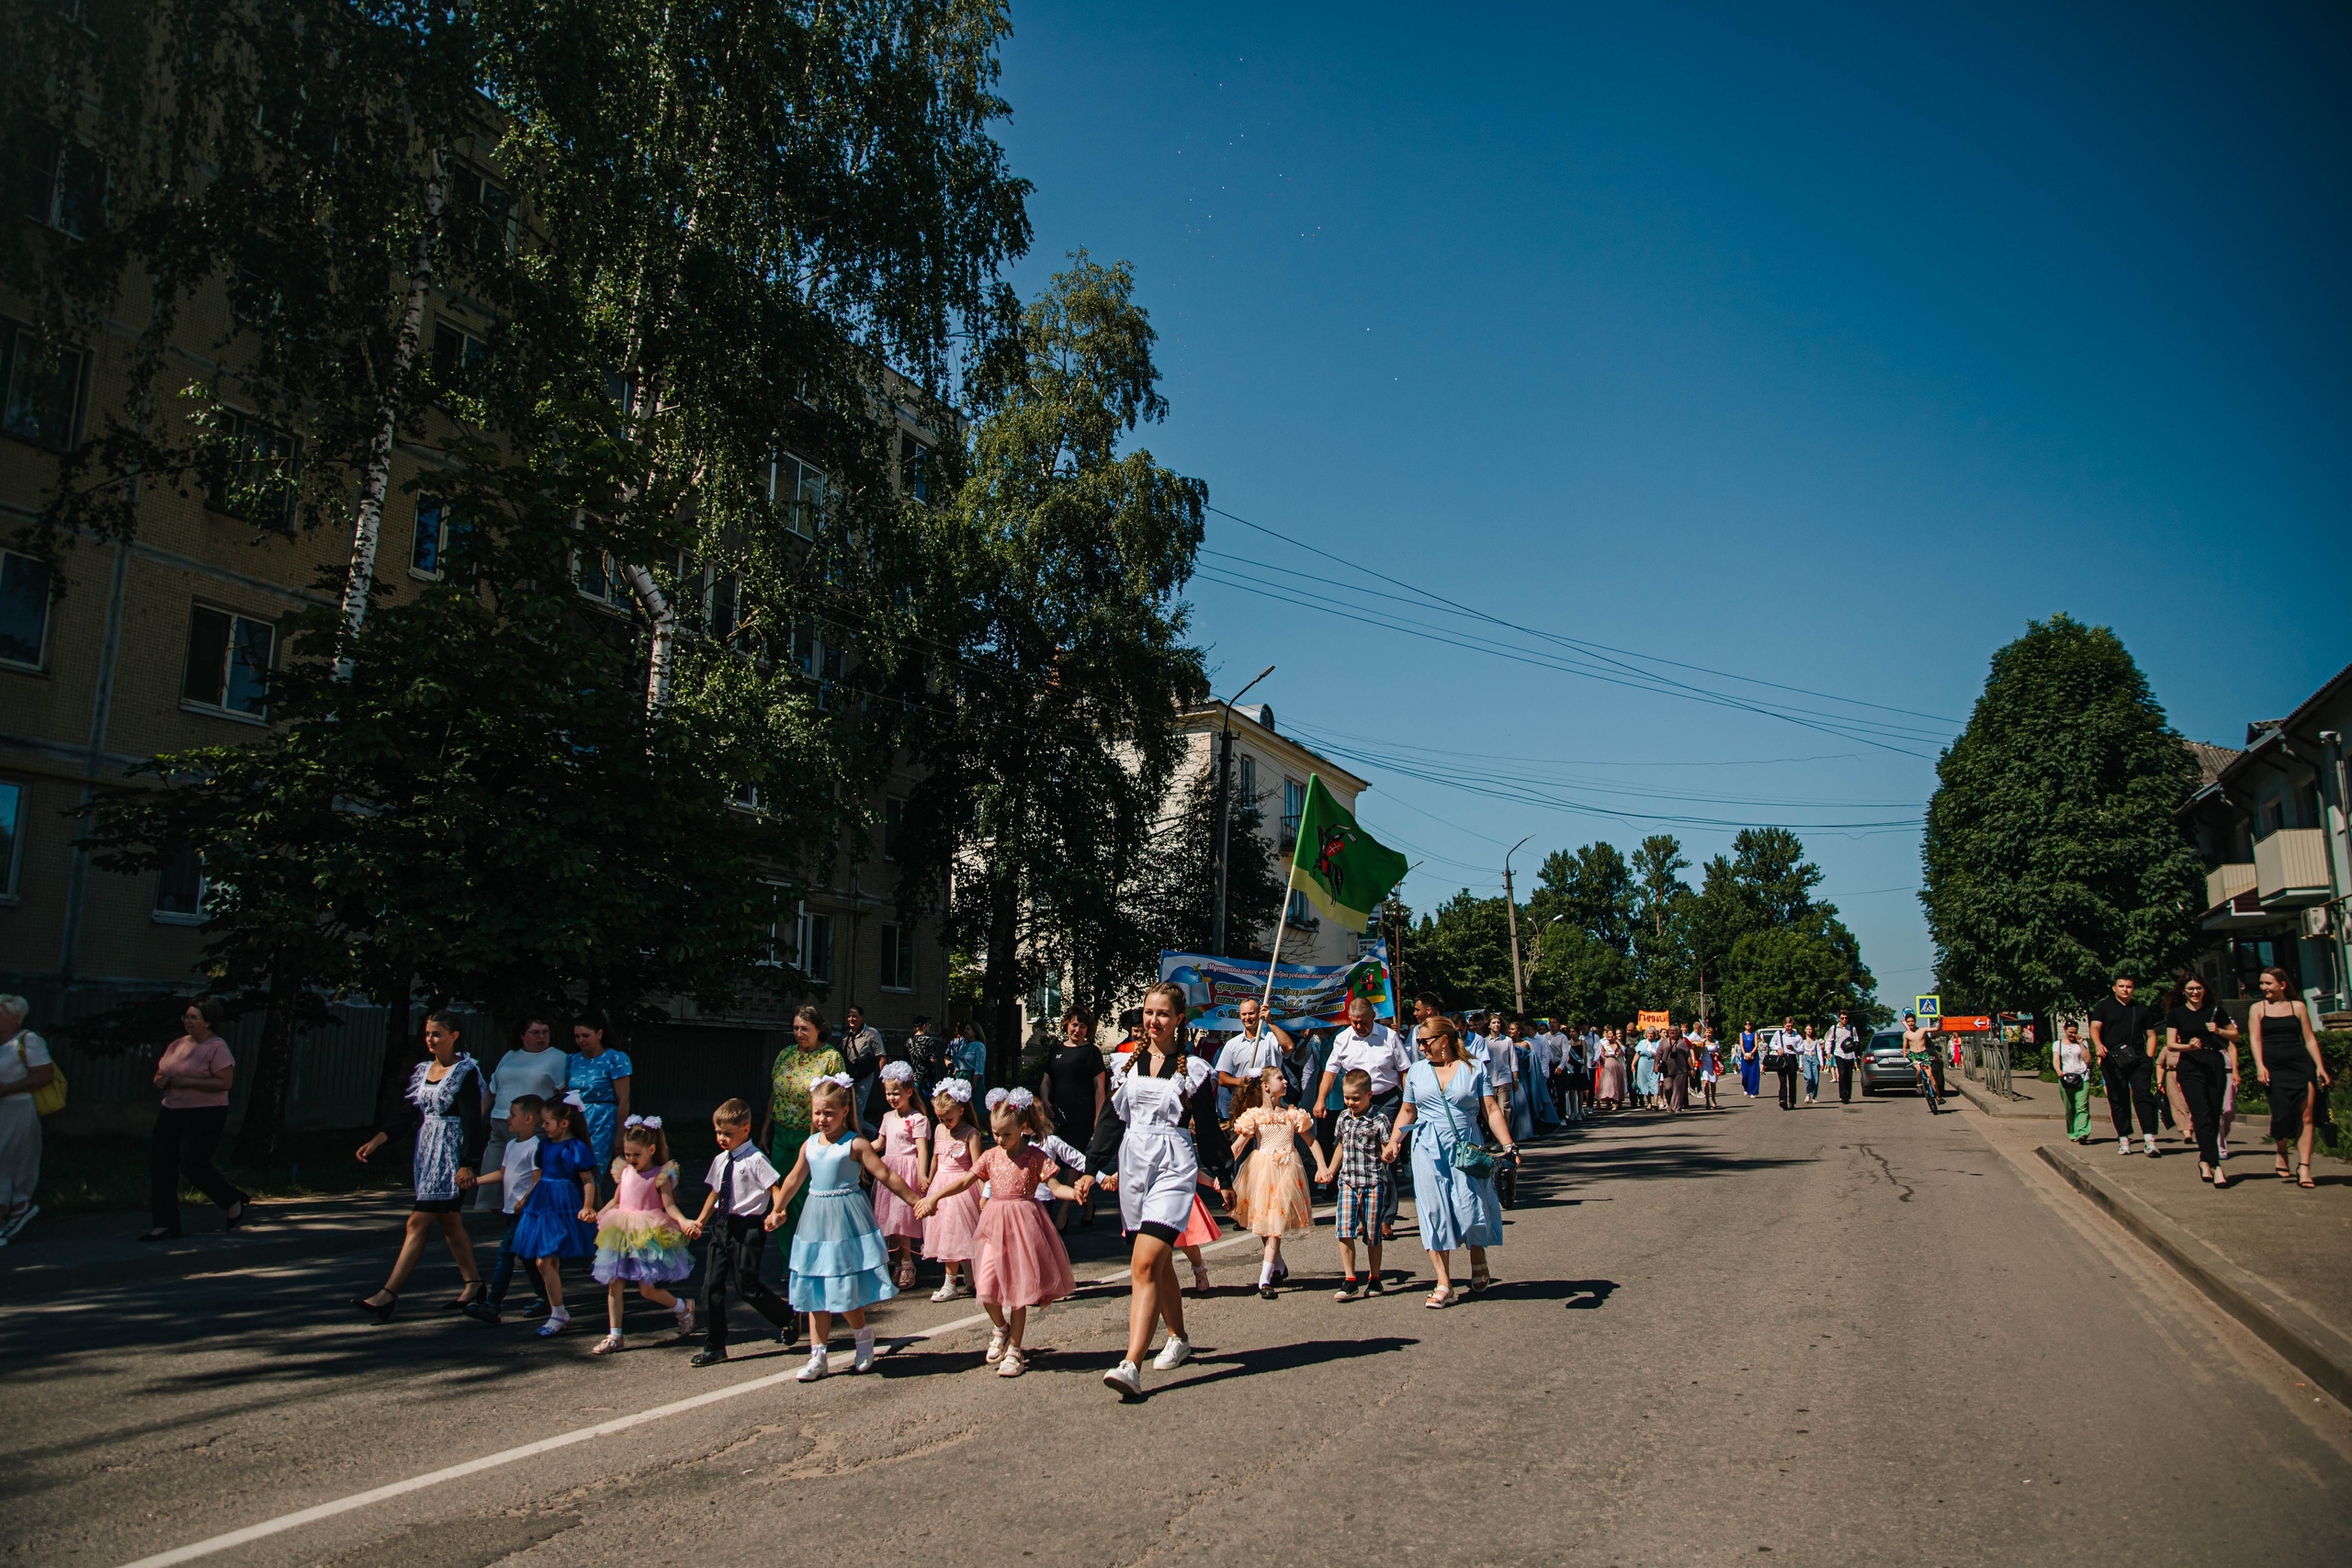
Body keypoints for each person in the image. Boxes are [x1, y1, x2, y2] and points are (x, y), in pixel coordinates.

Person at [1084, 979, 1232, 1401]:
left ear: (1179, 1019)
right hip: (1134, 1166)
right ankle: (1179, 1338)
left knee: (1145, 1262)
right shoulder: (1126, 1066)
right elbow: (1111, 1122)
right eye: (1149, 1012)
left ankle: (1131, 1364)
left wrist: (1224, 1173)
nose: (1154, 1020)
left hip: (1173, 1165)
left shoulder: (1194, 1070)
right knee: (1160, 1263)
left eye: (1163, 1013)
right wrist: (1091, 1168)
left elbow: (1206, 1126)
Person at [914, 1093, 1079, 1378]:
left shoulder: (1035, 1156)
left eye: (1006, 1134)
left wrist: (1074, 1193)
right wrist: (936, 1197)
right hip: (994, 1222)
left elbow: (1055, 1187)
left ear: (1024, 1127)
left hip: (1024, 1225)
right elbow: (965, 1181)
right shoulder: (990, 1156)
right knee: (986, 1284)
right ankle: (1000, 1327)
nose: (1000, 1140)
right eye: (995, 1134)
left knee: (1018, 1289)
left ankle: (1015, 1349)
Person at [775, 1075, 923, 1381]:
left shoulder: (854, 1143)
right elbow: (793, 1180)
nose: (821, 1119)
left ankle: (862, 1335)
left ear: (845, 1111)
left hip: (845, 1219)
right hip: (815, 1220)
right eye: (817, 1113)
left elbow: (885, 1174)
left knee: (842, 1288)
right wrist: (777, 1209)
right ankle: (818, 1356)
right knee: (816, 1287)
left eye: (828, 1113)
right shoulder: (810, 1145)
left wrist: (916, 1200)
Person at [351, 1010, 486, 1319]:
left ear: (454, 1036)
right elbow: (407, 1113)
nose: (430, 1039)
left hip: (449, 1156)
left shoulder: (465, 1071)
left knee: (417, 1222)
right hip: (426, 1153)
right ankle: (474, 1284)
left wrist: (468, 1163)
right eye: (427, 1033)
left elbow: (472, 1122)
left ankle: (388, 1294)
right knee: (450, 1221)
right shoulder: (423, 1070)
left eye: (437, 1034)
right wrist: (379, 1140)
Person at [1385, 1015, 1515, 1306]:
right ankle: (1443, 1282)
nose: (1419, 1047)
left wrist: (1508, 1144)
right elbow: (1408, 1111)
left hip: (1465, 1146)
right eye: (1418, 1041)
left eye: (1424, 1041)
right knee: (1433, 1211)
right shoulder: (1417, 1072)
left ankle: (1477, 1252)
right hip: (1426, 1147)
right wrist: (1394, 1142)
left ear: (1444, 1040)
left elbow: (1491, 1110)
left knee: (1471, 1206)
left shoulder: (1474, 1069)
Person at [684, 1098, 796, 1364]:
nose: (722, 1138)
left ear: (745, 1129)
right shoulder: (721, 1159)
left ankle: (788, 1317)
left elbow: (775, 1187)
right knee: (710, 1286)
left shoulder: (756, 1159)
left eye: (728, 1133)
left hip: (748, 1228)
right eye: (718, 1132)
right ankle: (715, 1345)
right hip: (722, 1226)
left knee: (747, 1287)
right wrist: (700, 1220)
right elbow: (715, 1193)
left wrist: (776, 1211)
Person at [141, 998, 251, 1242]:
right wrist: (159, 1080)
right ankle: (165, 1224)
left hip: (205, 1114)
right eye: (186, 1017)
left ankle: (231, 1199)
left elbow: (225, 1082)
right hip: (171, 1110)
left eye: (194, 1017)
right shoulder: (177, 1045)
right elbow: (162, 1071)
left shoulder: (217, 1047)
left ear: (208, 1022)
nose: (188, 1021)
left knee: (193, 1163)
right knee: (161, 1165)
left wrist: (189, 1082)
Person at [588, 1117, 695, 1353]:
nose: (631, 1159)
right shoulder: (625, 1171)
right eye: (627, 1154)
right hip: (620, 1231)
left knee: (647, 1290)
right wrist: (598, 1214)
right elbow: (617, 1200)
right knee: (613, 1284)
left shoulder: (660, 1175)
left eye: (636, 1154)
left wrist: (684, 1221)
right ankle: (615, 1336)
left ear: (652, 1150)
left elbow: (670, 1207)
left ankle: (682, 1307)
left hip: (647, 1234)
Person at [1317, 996, 1412, 1239]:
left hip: (1386, 1100)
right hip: (1357, 1104)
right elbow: (1330, 1071)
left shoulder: (1389, 1037)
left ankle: (1385, 1219)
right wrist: (1320, 1100)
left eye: (1362, 1022)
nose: (1358, 1026)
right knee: (1357, 1159)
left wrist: (1410, 1100)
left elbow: (1404, 1071)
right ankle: (1364, 1217)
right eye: (1354, 1022)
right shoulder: (1343, 1039)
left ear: (1373, 1017)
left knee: (1386, 1157)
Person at [509, 1093, 601, 1337]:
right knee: (545, 1260)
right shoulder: (545, 1145)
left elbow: (587, 1180)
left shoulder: (574, 1148)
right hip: (543, 1203)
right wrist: (528, 1197)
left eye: (547, 1122)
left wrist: (588, 1206)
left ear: (564, 1123)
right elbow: (538, 1176)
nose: (542, 1126)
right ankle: (557, 1310)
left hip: (564, 1204)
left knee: (545, 1259)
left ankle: (558, 1312)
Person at [763, 1004, 852, 1254]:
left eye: (805, 1028)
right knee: (780, 1197)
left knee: (804, 1196)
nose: (799, 1033)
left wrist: (832, 1137)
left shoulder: (830, 1058)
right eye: (795, 1028)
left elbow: (840, 1099)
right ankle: (786, 1258)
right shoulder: (786, 1055)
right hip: (782, 1134)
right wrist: (765, 1130)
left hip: (811, 1136)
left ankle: (809, 1254)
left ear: (818, 1029)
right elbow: (775, 1094)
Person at [459, 1093, 552, 1325]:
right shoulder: (511, 1145)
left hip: (525, 1213)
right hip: (511, 1211)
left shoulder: (536, 1147)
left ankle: (493, 1305)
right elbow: (503, 1173)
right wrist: (476, 1181)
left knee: (505, 1254)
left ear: (529, 1118)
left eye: (513, 1115)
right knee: (528, 1258)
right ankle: (546, 1298)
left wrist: (526, 1200)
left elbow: (539, 1179)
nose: (508, 1119)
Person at [1229, 1066, 1316, 1299]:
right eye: (1280, 1078)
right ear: (1266, 1086)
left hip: (1287, 1172)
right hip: (1261, 1170)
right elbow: (1238, 1147)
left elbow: (1311, 1141)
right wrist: (1221, 1170)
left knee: (1275, 1227)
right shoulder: (1254, 1115)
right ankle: (1279, 1264)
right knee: (1264, 1223)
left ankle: (1264, 1280)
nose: (1286, 1081)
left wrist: (1324, 1166)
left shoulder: (1292, 1114)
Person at [2249, 965, 2332, 1190]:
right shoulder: (2258, 1008)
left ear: (2282, 985)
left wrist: (2320, 1067)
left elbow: (2309, 1039)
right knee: (2281, 1114)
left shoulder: (2298, 1007)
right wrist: (2260, 1066)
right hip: (2274, 1069)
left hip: (2300, 1066)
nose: (2263, 987)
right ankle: (2282, 1149)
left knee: (2306, 1117)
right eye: (2262, 983)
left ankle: (2304, 1167)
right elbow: (2255, 1040)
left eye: (2268, 983)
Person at [473, 1016, 570, 1210]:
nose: (541, 1037)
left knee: (523, 1193)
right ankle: (510, 1233)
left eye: (545, 1032)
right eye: (535, 1033)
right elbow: (492, 1091)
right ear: (522, 1036)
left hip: (531, 1131)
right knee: (491, 1193)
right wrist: (475, 1121)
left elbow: (564, 1096)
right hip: (500, 1127)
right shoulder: (510, 1055)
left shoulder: (558, 1057)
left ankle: (519, 1235)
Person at [1319, 1068, 1396, 1300]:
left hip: (1372, 1183)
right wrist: (1330, 1170)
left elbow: (1385, 1148)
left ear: (1369, 1095)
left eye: (1355, 1098)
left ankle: (1375, 1278)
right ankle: (1350, 1279)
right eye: (1346, 1098)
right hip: (1348, 1182)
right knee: (1343, 1230)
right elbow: (1341, 1146)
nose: (1350, 1103)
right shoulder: (1343, 1118)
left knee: (1372, 1234)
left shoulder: (1379, 1120)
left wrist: (1389, 1155)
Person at [2164, 976, 2239, 1188]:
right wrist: (2188, 1047)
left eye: (2198, 988)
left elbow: (2235, 1036)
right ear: (2183, 992)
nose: (2195, 992)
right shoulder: (2176, 1014)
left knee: (2215, 1114)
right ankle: (2216, 1166)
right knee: (2201, 1114)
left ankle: (2204, 1160)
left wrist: (2219, 1030)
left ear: (2204, 990)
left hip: (2214, 1063)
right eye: (2190, 989)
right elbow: (2171, 1044)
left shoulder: (2215, 1010)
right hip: (2190, 1066)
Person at [1036, 1008, 1107, 1232]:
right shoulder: (1056, 1050)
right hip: (1055, 1116)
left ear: (1088, 1029)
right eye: (1074, 1025)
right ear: (1066, 1025)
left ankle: (1062, 1216)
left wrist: (1098, 1117)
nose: (1078, 1030)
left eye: (1083, 1026)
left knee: (1071, 1164)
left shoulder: (1092, 1052)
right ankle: (1087, 1205)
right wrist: (1045, 1099)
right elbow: (1046, 1080)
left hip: (1081, 1115)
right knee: (1053, 1162)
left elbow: (1099, 1087)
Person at [922, 1079, 984, 1300]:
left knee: (958, 1233)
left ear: (961, 1110)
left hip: (962, 1188)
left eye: (948, 1118)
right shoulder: (939, 1130)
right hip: (941, 1184)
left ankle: (951, 1284)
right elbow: (935, 1159)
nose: (944, 1122)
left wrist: (985, 1193)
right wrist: (928, 1179)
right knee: (949, 1234)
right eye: (940, 1118)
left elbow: (977, 1169)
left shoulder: (970, 1134)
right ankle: (969, 1278)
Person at [0, 994, 53, 1244]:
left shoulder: (28, 1040)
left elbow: (44, 1076)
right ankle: (16, 1209)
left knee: (7, 1161)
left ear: (14, 1017)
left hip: (17, 1109)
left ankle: (15, 1209)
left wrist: (8, 1088)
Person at [2090, 975, 2160, 1155]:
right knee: (2118, 1098)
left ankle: (2149, 1139)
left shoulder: (2141, 1009)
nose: (2125, 990)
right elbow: (2095, 1027)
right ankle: (2124, 1139)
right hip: (2112, 1058)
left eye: (2129, 986)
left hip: (2138, 1059)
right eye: (2121, 986)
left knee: (2142, 1095)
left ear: (2133, 989)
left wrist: (2149, 1058)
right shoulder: (2103, 1007)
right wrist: (2098, 1044)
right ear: (2114, 988)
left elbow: (2151, 1035)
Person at [566, 1012, 634, 1177]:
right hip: (576, 1120)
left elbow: (623, 1099)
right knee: (571, 1168)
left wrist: (620, 1134)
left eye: (585, 1035)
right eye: (577, 1036)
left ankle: (592, 1202)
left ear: (599, 1034)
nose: (581, 1040)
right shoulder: (573, 1060)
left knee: (592, 1170)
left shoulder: (615, 1058)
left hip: (602, 1120)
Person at [1214, 996, 1295, 1122]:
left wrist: (1270, 1022)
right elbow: (1222, 1078)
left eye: (1251, 1013)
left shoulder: (1271, 1039)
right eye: (1244, 1014)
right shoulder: (1232, 1045)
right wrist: (1241, 1081)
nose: (1247, 1018)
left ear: (1258, 1014)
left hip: (1270, 1106)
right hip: (1244, 1105)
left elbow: (1289, 1047)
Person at [842, 1002, 887, 1129]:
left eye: (854, 1016)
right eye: (849, 1016)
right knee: (848, 1111)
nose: (851, 1019)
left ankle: (858, 1139)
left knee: (857, 1110)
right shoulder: (846, 1035)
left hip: (864, 1077)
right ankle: (872, 1132)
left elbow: (881, 1056)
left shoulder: (871, 1033)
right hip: (850, 1077)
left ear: (862, 1017)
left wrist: (883, 1079)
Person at [2052, 1022, 2095, 1145]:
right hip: (2065, 1078)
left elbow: (2087, 1059)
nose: (2073, 1035)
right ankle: (2073, 1132)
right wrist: (2058, 1070)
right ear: (2065, 1030)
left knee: (2082, 1105)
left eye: (2075, 1032)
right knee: (2070, 1107)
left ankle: (2082, 1132)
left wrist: (2081, 1044)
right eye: (2070, 1032)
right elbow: (2056, 1059)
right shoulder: (2058, 1044)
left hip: (2082, 1077)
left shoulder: (2083, 1043)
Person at [907, 1016, 953, 1099]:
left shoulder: (908, 1041)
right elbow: (932, 1059)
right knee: (926, 1103)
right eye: (929, 1025)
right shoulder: (929, 1041)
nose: (929, 1027)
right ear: (924, 1026)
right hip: (925, 1079)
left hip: (912, 1078)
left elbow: (906, 1059)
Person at [1901, 1012, 1939, 1113]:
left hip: (1923, 1054)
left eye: (1912, 1021)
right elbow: (1904, 1046)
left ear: (1915, 1021)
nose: (1911, 1023)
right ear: (1906, 1023)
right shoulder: (1906, 1034)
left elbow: (1937, 1029)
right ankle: (1919, 1085)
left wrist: (1941, 1021)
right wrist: (1905, 1053)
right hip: (1914, 1055)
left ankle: (1938, 1097)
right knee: (1918, 1070)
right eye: (1909, 1022)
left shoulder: (1922, 1030)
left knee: (1930, 1076)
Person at [1827, 1012, 1862, 1104]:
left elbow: (1856, 1040)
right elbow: (1829, 1040)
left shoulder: (1851, 1029)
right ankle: (1843, 1096)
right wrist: (1828, 1052)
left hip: (1849, 1054)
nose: (1844, 1020)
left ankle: (1848, 1095)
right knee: (1842, 1074)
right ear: (1839, 1018)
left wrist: (1855, 1049)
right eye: (1842, 1018)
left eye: (1846, 1018)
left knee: (1848, 1075)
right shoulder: (1834, 1028)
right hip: (1838, 1053)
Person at [1594, 1030, 1627, 1110]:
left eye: (1610, 1034)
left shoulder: (1617, 1044)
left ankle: (1616, 1102)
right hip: (1607, 1065)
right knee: (1608, 1083)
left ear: (1613, 1035)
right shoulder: (1605, 1045)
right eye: (1607, 1034)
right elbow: (1601, 1054)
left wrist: (1618, 1045)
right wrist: (1604, 1058)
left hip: (1616, 1065)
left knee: (1616, 1083)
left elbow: (1622, 1053)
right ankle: (1609, 1100)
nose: (1608, 1035)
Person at [1797, 1025, 1823, 1106]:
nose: (1809, 1031)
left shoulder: (1816, 1041)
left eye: (1810, 1029)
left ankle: (1814, 1096)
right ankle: (1808, 1094)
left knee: (1816, 1078)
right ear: (1805, 1030)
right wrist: (1800, 1064)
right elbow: (1801, 1053)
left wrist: (1821, 1062)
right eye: (1807, 1029)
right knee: (1809, 1077)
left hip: (1814, 1059)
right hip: (1806, 1058)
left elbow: (1819, 1052)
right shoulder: (1802, 1041)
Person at [1739, 1021, 1761, 1098]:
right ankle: (1746, 1088)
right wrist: (1745, 1054)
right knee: (1745, 1074)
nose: (1748, 1025)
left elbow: (1756, 1045)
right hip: (1744, 1054)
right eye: (1746, 1024)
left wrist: (1751, 1053)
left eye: (1749, 1024)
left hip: (1753, 1054)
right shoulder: (1741, 1034)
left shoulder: (1754, 1034)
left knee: (1753, 1073)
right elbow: (1741, 1045)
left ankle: (1752, 1091)